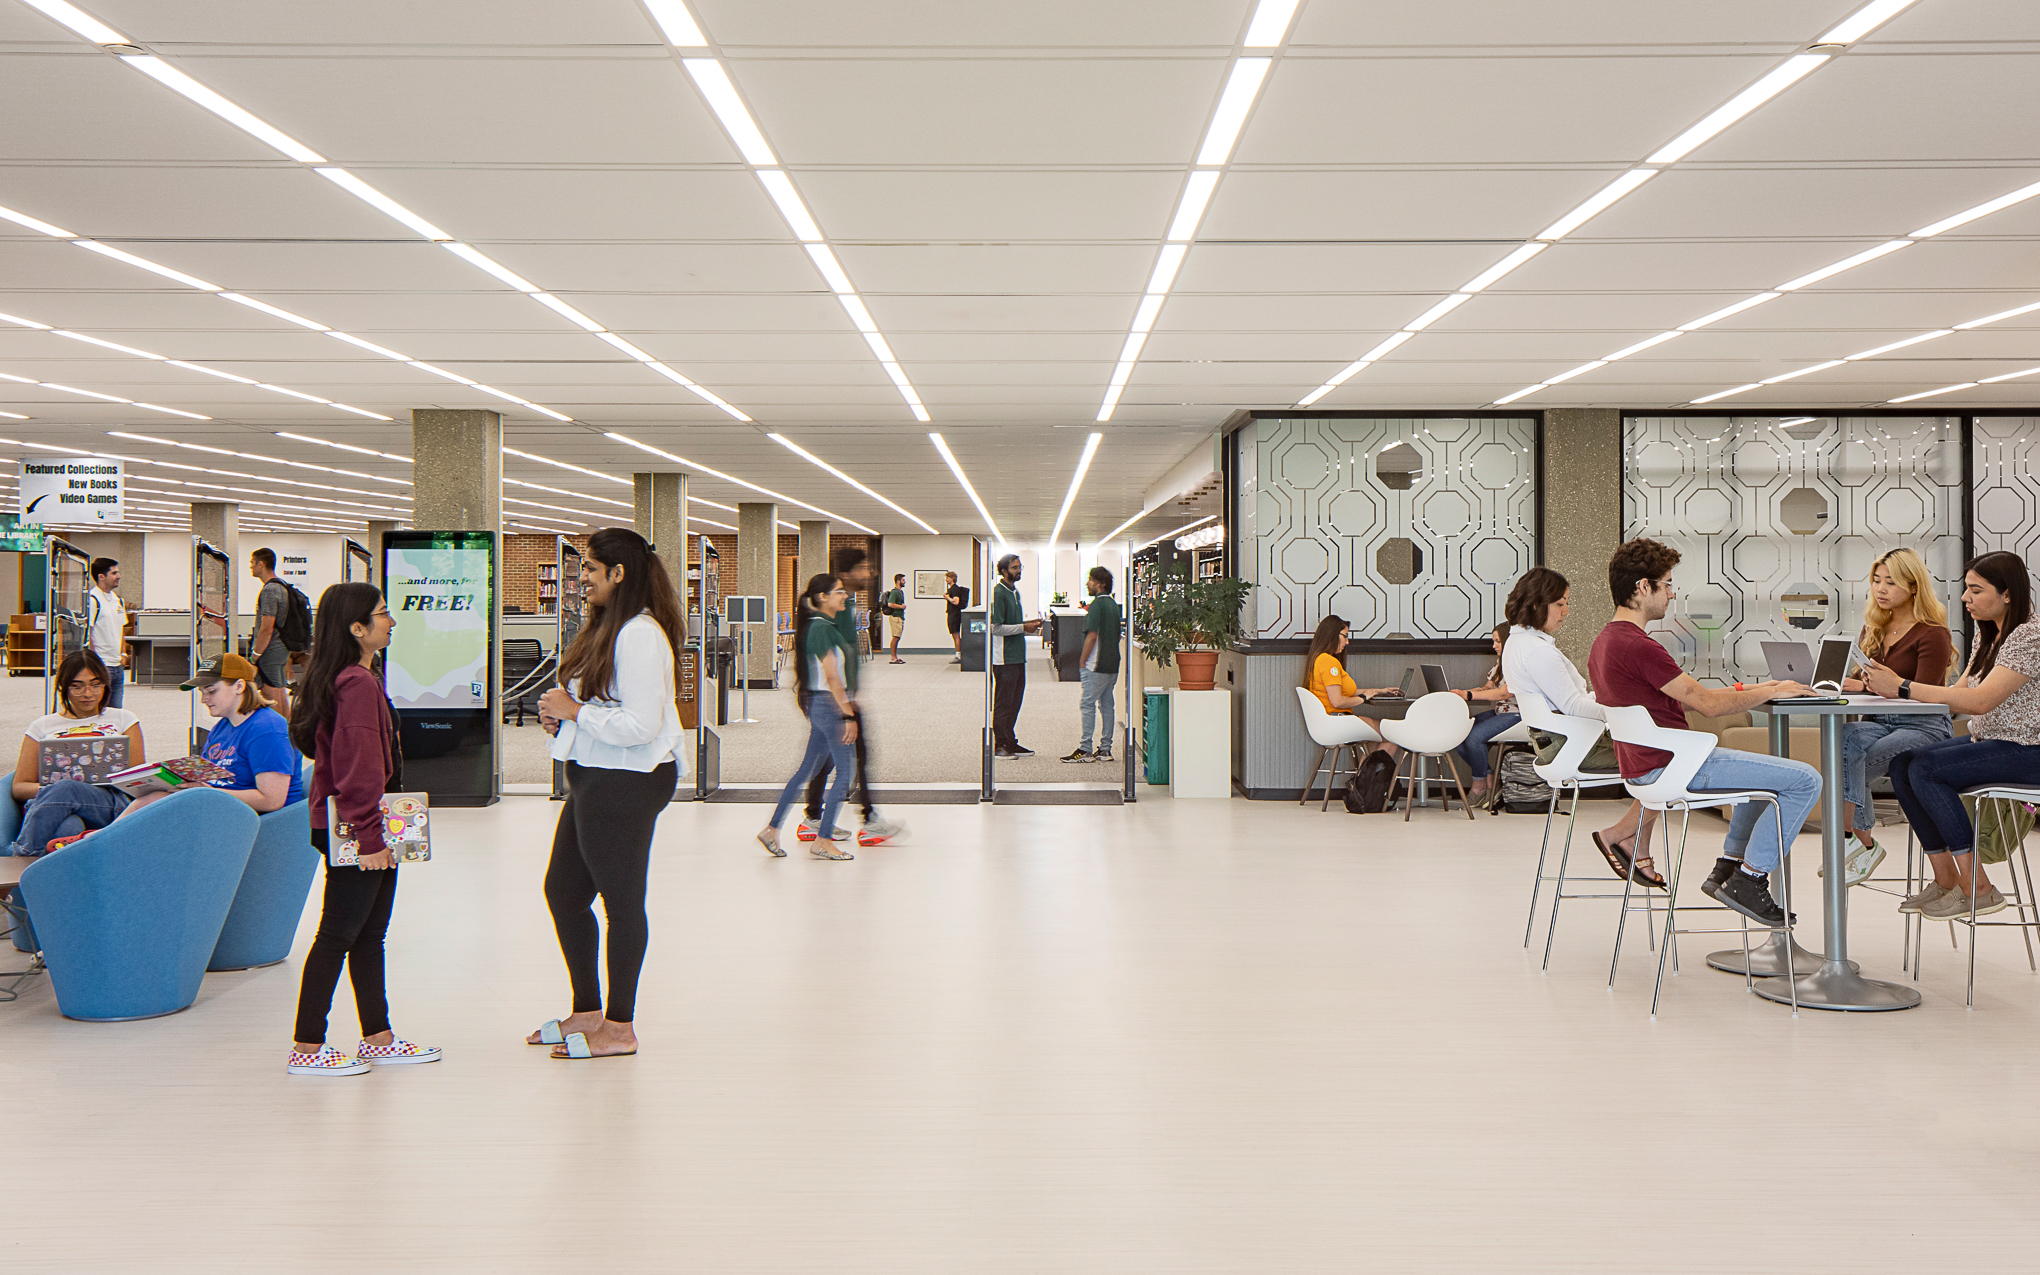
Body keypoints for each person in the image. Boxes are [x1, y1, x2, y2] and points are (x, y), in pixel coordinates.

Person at [1588, 538, 1821, 926]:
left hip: (1652, 767)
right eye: (1666, 584)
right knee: (1805, 781)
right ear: (1643, 587)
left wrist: (1763, 689)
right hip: (1678, 766)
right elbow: (1707, 705)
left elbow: (1695, 694)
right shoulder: (1639, 647)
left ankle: (1728, 869)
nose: (1671, 593)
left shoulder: (1606, 642)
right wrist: (1771, 690)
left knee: (1764, 775)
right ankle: (1749, 878)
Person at [532, 528, 687, 1061]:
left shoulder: (639, 635)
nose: (581, 580)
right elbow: (600, 706)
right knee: (563, 892)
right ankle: (587, 1011)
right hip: (595, 775)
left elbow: (641, 725)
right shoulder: (607, 628)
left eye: (590, 571)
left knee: (621, 903)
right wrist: (563, 718)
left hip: (627, 780)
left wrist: (576, 713)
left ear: (618, 574)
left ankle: (619, 1028)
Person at [287, 583, 439, 1077]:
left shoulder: (346, 679)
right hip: (359, 828)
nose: (391, 621)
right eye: (382, 614)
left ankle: (378, 1037)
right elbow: (360, 768)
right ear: (357, 628)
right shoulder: (355, 685)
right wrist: (372, 838)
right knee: (337, 933)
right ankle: (307, 1047)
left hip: (363, 823)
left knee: (370, 933)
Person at [1861, 551, 2040, 922]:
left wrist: (1905, 687)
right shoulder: (1990, 634)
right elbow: (1958, 694)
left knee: (1926, 768)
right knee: (1903, 764)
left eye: (1975, 590)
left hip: (2027, 751)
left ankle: (1978, 887)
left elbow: (1979, 702)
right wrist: (1883, 688)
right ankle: (1946, 880)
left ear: (2008, 594)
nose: (1964, 598)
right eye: (1965, 589)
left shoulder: (2029, 637)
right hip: (1991, 742)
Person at [1500, 566, 1658, 883]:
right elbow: (1573, 705)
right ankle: (1625, 839)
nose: (1566, 611)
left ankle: (1632, 842)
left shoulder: (1518, 643)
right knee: (1661, 762)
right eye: (1560, 603)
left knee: (1657, 759)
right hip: (1573, 748)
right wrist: (1626, 710)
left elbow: (1570, 700)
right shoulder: (1539, 652)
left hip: (1556, 744)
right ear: (1535, 604)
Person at [1830, 548, 1955, 886]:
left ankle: (1853, 841)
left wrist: (1882, 686)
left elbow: (1926, 694)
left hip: (1923, 726)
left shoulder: (1932, 633)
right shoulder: (1873, 630)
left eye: (1891, 582)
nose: (1880, 589)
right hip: (1878, 722)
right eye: (1876, 581)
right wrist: (1848, 684)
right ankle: (1859, 841)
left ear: (1914, 587)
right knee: (1842, 742)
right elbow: (1872, 686)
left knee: (1844, 765)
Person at [798, 547, 905, 846]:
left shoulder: (847, 602)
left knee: (828, 758)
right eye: (864, 567)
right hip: (837, 698)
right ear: (846, 573)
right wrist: (846, 702)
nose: (869, 573)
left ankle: (812, 817)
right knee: (857, 756)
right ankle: (868, 821)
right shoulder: (839, 607)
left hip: (838, 696)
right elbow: (834, 657)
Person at [125, 654, 305, 821]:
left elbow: (272, 800)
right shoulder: (223, 726)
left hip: (258, 822)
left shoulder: (268, 730)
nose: (204, 699)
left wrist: (208, 792)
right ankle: (102, 840)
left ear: (239, 687)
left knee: (153, 805)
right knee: (152, 799)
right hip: (226, 809)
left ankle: (102, 841)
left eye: (211, 691)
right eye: (202, 692)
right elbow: (208, 775)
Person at [759, 573, 860, 861]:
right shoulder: (823, 629)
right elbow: (832, 677)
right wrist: (848, 715)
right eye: (838, 592)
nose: (844, 596)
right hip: (829, 706)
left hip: (820, 705)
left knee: (806, 771)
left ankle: (772, 828)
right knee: (845, 772)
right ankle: (824, 839)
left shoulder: (820, 626)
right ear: (821, 598)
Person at [5, 650, 143, 857]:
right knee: (67, 828)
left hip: (108, 803)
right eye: (77, 686)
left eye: (96, 685)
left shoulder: (124, 719)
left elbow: (136, 781)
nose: (88, 694)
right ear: (63, 687)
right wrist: (57, 790)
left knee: (67, 789)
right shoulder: (42, 726)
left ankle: (20, 856)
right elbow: (19, 787)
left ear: (106, 684)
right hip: (51, 804)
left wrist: (74, 788)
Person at [1300, 614, 1400, 763]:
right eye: (1345, 636)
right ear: (1332, 634)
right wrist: (1363, 698)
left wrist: (1379, 691)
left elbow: (1346, 691)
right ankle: (1367, 784)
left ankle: (1361, 782)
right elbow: (1338, 701)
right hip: (1338, 722)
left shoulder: (1319, 659)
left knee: (1374, 738)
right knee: (1393, 735)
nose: (1347, 642)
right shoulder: (1329, 663)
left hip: (1329, 722)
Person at [1450, 624, 1521, 802]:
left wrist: (1469, 695)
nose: (1494, 646)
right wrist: (1462, 693)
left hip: (1518, 714)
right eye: (1493, 641)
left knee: (1474, 737)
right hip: (1500, 711)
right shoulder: (1500, 663)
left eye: (1498, 641)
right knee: (1459, 733)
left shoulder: (1517, 663)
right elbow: (1487, 688)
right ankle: (1490, 778)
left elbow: (1505, 693)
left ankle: (1479, 785)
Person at [1061, 566, 1122, 763]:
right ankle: (1105, 749)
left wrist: (1082, 660)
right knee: (1107, 705)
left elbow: (1092, 635)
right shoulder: (1113, 605)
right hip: (1112, 663)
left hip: (1096, 664)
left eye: (1091, 580)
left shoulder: (1097, 605)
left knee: (1087, 703)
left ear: (1100, 583)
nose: (1088, 583)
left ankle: (1085, 748)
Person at [990, 553, 1043, 757]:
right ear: (1004, 571)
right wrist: (1024, 627)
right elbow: (996, 628)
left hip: (1018, 656)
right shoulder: (1000, 592)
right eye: (1014, 568)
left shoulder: (1014, 592)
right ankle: (1000, 744)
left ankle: (1010, 740)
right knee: (1004, 702)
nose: (1018, 571)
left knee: (1015, 701)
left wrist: (1026, 627)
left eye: (1020, 567)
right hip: (1003, 658)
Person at [249, 548, 292, 716]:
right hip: (280, 648)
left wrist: (254, 656)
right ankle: (288, 733)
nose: (251, 567)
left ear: (261, 564)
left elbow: (266, 628)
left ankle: (278, 735)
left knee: (270, 695)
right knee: (280, 693)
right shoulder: (282, 586)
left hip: (270, 649)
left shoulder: (269, 590)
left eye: (252, 563)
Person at [86, 557, 128, 709]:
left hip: (117, 665)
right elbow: (89, 631)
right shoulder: (92, 600)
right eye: (114, 573)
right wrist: (94, 662)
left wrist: (123, 654)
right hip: (102, 665)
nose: (119, 576)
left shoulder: (117, 600)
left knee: (116, 711)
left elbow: (121, 627)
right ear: (101, 576)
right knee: (99, 709)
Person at [944, 570, 969, 664]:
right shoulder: (954, 588)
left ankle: (958, 655)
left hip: (954, 614)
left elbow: (956, 601)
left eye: (947, 578)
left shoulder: (954, 589)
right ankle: (958, 654)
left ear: (952, 578)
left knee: (955, 635)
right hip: (954, 613)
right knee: (955, 634)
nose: (946, 580)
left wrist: (947, 597)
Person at [882, 573, 908, 664]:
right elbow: (890, 604)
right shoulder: (894, 592)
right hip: (895, 617)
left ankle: (895, 657)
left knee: (897, 637)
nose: (904, 582)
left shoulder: (900, 592)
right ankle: (893, 658)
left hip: (900, 617)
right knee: (895, 637)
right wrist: (901, 607)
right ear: (898, 581)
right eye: (903, 580)